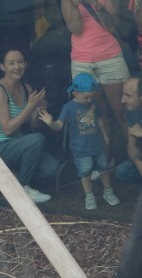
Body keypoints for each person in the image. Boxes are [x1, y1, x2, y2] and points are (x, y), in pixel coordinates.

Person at [60, 0, 130, 142]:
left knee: (122, 112)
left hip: (109, 57)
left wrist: (94, 3)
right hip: (82, 61)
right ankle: (105, 158)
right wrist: (75, 5)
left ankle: (134, 153)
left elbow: (112, 25)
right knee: (96, 116)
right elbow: (76, 29)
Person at [0, 48, 61, 204]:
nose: (16, 67)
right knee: (37, 139)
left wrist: (38, 110)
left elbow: (32, 127)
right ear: (2, 67)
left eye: (20, 62)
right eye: (11, 63)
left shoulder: (26, 88)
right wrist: (29, 107)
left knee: (52, 167)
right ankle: (21, 188)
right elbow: (8, 129)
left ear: (26, 64)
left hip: (16, 147)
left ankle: (8, 176)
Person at [39, 73, 120, 210]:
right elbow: (59, 125)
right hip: (80, 149)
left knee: (104, 169)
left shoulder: (93, 104)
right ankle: (89, 195)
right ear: (75, 93)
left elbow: (100, 119)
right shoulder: (69, 107)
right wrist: (50, 123)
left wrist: (105, 135)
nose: (89, 100)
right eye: (86, 97)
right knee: (85, 173)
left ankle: (108, 191)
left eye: (91, 97)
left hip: (97, 145)